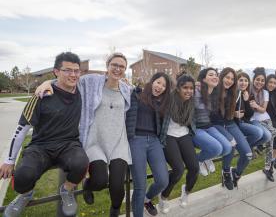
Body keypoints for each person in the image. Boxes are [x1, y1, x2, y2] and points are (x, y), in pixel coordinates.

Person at [34, 52, 132, 217]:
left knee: (118, 188)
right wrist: (47, 82)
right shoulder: (92, 82)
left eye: (121, 66)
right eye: (114, 65)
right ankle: (88, 186)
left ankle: (114, 210)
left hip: (118, 143)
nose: (117, 69)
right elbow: (68, 80)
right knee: (100, 181)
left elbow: (144, 92)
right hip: (95, 141)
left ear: (125, 69)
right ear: (107, 66)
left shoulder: (126, 89)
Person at [0, 52, 89, 217]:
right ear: (56, 71)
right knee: (22, 177)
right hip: (41, 146)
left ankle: (67, 190)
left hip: (69, 144)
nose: (73, 75)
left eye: (77, 71)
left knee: (82, 163)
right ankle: (25, 194)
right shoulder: (41, 95)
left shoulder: (83, 91)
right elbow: (22, 129)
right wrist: (9, 160)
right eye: (68, 70)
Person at [126, 72, 170, 217]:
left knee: (163, 180)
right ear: (152, 82)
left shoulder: (161, 102)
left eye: (164, 85)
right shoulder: (135, 94)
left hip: (154, 141)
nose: (160, 87)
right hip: (135, 140)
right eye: (158, 82)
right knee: (140, 186)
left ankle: (147, 199)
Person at [158, 73, 199, 213]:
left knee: (194, 168)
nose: (188, 91)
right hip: (168, 135)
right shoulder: (168, 99)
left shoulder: (192, 101)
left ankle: (186, 191)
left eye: (191, 88)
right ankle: (163, 196)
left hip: (184, 134)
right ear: (178, 88)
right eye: (185, 88)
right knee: (178, 169)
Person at [210, 67, 253, 189]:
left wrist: (235, 114)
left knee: (248, 154)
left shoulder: (234, 93)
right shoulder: (212, 91)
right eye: (227, 77)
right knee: (232, 143)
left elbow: (242, 111)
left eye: (232, 79)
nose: (229, 81)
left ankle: (237, 174)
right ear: (221, 77)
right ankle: (226, 171)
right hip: (216, 125)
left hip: (230, 124)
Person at [192, 68, 232, 177]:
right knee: (216, 148)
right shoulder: (196, 91)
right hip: (196, 128)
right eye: (210, 75)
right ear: (203, 79)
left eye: (215, 74)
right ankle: (198, 160)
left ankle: (206, 157)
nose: (215, 77)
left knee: (227, 148)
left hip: (209, 127)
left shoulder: (214, 93)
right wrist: (194, 85)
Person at [249, 67, 276, 182]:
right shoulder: (248, 91)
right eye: (258, 79)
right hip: (254, 120)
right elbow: (250, 109)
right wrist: (257, 107)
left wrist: (256, 106)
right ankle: (257, 146)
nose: (260, 82)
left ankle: (268, 167)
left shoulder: (265, 93)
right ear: (253, 79)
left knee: (271, 141)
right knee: (272, 133)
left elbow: (263, 109)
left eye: (262, 80)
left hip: (266, 119)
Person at [235, 72, 265, 155]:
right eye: (241, 80)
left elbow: (250, 114)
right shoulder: (234, 93)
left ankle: (245, 146)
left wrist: (246, 100)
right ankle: (243, 147)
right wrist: (234, 114)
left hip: (244, 121)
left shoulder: (248, 94)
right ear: (236, 81)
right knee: (258, 132)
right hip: (236, 123)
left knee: (266, 136)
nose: (243, 83)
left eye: (246, 80)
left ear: (248, 83)